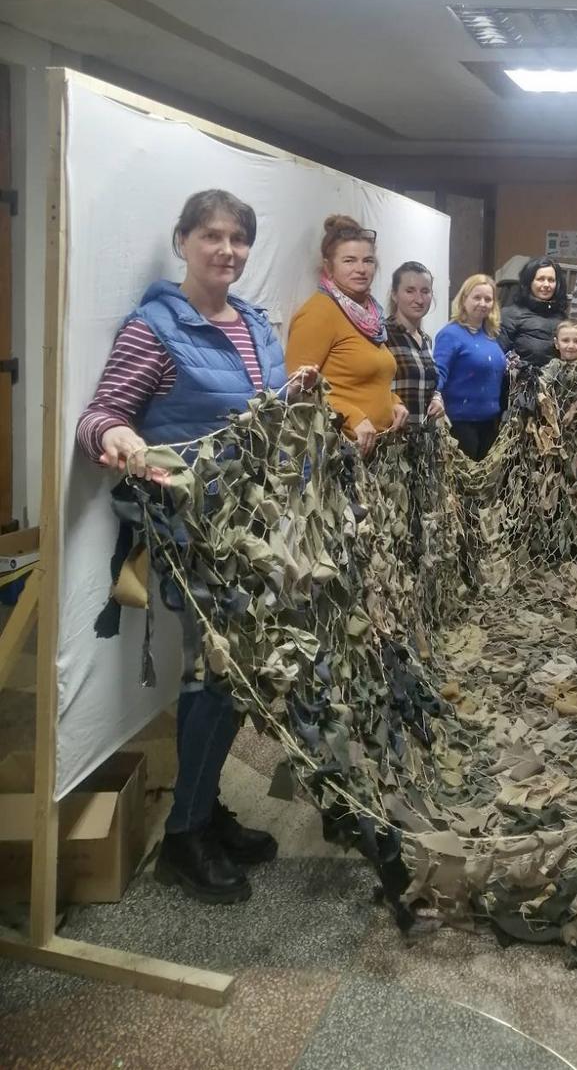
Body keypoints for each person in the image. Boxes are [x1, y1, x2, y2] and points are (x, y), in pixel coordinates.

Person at [76, 189, 290, 905]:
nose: (227, 250)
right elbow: (101, 414)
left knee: (235, 678)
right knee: (216, 677)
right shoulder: (155, 329)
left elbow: (270, 417)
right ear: (183, 241)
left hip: (254, 533)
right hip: (191, 533)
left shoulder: (256, 325)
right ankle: (184, 837)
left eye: (238, 238)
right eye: (211, 236)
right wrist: (117, 435)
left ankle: (204, 806)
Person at [286, 216, 408, 456]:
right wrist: (350, 416)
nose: (361, 269)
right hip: (338, 455)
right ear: (328, 266)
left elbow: (366, 382)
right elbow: (298, 394)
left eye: (368, 260)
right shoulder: (318, 312)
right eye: (349, 260)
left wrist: (393, 402)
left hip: (376, 454)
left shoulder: (370, 316)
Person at [434, 274, 506, 460]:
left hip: (489, 423)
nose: (482, 303)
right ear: (464, 299)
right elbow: (438, 372)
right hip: (460, 424)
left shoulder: (490, 335)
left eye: (488, 299)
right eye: (477, 297)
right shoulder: (450, 334)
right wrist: (434, 396)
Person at [385, 261, 445, 426]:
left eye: (425, 291)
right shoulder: (382, 335)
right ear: (395, 295)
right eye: (410, 291)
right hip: (393, 435)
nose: (419, 299)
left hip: (424, 437)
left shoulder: (426, 339)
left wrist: (437, 398)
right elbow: (370, 386)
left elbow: (429, 384)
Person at [499, 258, 568, 367]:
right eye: (540, 279)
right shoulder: (509, 315)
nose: (546, 284)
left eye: (551, 280)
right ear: (529, 282)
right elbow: (498, 358)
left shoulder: (562, 318)